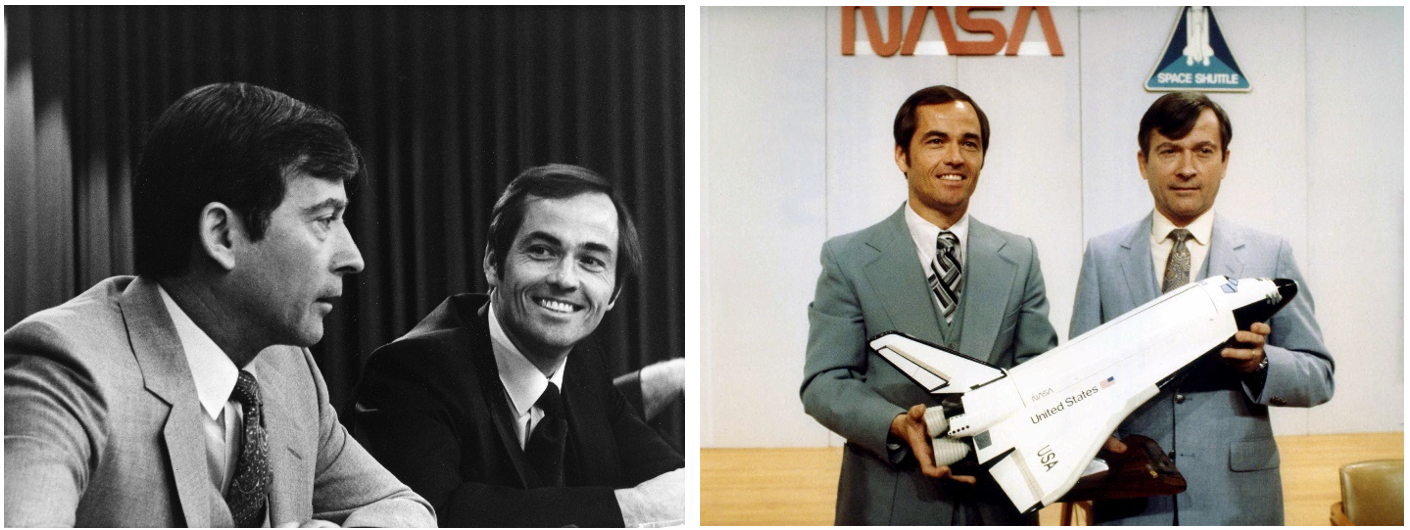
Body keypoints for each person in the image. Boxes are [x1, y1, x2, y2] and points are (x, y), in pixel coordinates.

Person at [4, 83, 435, 527]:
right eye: (325, 219)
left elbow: (403, 508)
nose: (353, 258)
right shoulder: (63, 368)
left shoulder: (288, 369)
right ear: (222, 235)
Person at [353, 164, 683, 527]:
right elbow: (437, 516)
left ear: (614, 292)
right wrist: (632, 509)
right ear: (494, 264)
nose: (565, 279)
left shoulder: (582, 360)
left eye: (590, 261)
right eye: (542, 251)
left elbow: (670, 478)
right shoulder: (410, 371)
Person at [1070, 91, 1334, 525]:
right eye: (1169, 151)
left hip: (1237, 501)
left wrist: (1262, 364)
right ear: (1143, 162)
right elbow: (1077, 381)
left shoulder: (1270, 254)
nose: (1186, 168)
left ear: (1225, 161)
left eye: (1203, 151)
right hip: (1132, 500)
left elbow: (1319, 376)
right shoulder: (1103, 256)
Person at [800, 85, 1059, 525]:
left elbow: (1040, 373)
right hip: (889, 502)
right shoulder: (848, 258)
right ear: (902, 156)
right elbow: (825, 382)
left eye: (969, 143)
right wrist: (896, 423)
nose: (955, 157)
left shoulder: (1020, 257)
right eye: (936, 141)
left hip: (998, 505)